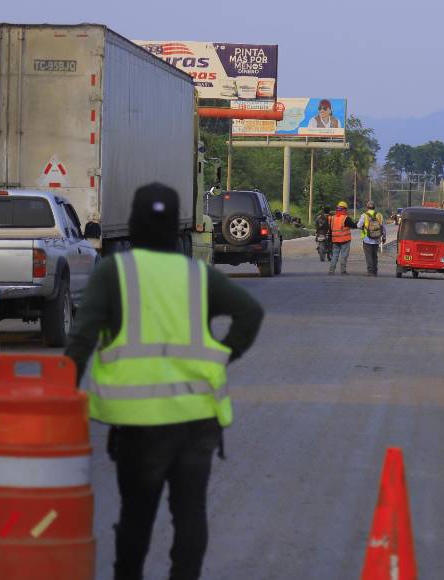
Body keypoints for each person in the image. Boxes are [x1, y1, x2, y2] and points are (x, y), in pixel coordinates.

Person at [64, 183, 264, 580]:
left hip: (138, 427)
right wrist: (224, 355)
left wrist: (60, 394)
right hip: (196, 421)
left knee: (136, 516)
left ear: (135, 223)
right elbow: (250, 313)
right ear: (176, 226)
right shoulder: (198, 275)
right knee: (190, 515)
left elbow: (83, 338)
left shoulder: (113, 273)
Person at [355, 201, 387, 276]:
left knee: (368, 255)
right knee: (374, 255)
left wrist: (364, 227)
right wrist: (384, 237)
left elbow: (358, 226)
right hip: (377, 239)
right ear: (374, 207)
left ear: (367, 207)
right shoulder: (379, 215)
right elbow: (383, 228)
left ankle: (370, 271)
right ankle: (375, 271)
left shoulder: (364, 215)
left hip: (367, 239)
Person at [328, 201, 357, 275]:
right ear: (344, 209)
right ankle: (343, 271)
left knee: (334, 256)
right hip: (345, 240)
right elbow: (353, 225)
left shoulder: (332, 218)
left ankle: (331, 271)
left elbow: (330, 229)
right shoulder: (345, 218)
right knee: (344, 256)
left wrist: (330, 240)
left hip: (335, 240)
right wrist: (358, 223)